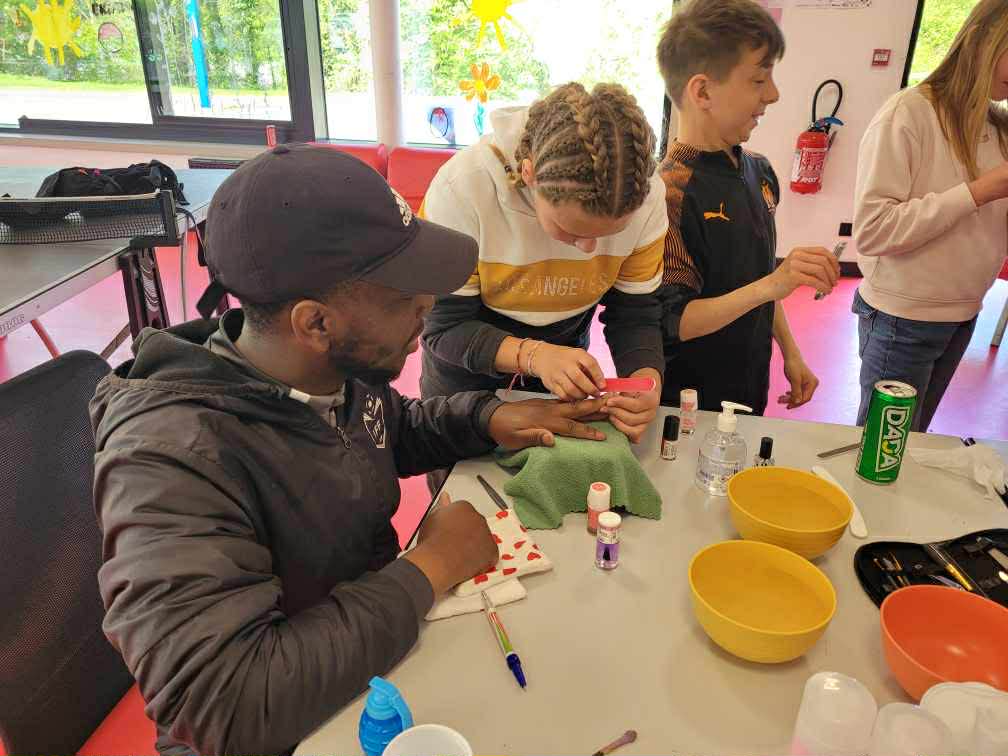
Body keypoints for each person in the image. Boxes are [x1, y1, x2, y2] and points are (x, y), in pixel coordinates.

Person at [91, 145, 608, 756]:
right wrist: (430, 567)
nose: (429, 308)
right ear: (316, 323)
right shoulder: (172, 460)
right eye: (405, 295)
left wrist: (490, 416)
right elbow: (224, 704)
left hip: (370, 666)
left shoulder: (332, 370)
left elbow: (390, 431)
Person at [419, 82, 668, 445]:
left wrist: (645, 379)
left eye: (613, 233)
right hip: (466, 370)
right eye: (570, 229)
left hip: (562, 359)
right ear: (529, 174)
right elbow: (443, 326)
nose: (588, 249)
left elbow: (636, 312)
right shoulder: (462, 189)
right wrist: (534, 355)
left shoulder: (647, 195)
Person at [655, 0, 840, 415]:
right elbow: (673, 322)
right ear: (702, 91)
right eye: (758, 80)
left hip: (750, 383)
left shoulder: (760, 171)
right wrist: (773, 284)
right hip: (687, 403)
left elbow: (759, 279)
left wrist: (789, 351)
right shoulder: (667, 194)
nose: (773, 95)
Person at [853, 0, 1008, 432]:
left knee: (911, 442)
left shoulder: (998, 128)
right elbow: (873, 230)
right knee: (881, 449)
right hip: (904, 317)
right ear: (981, 43)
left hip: (962, 313)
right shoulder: (909, 113)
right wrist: (979, 192)